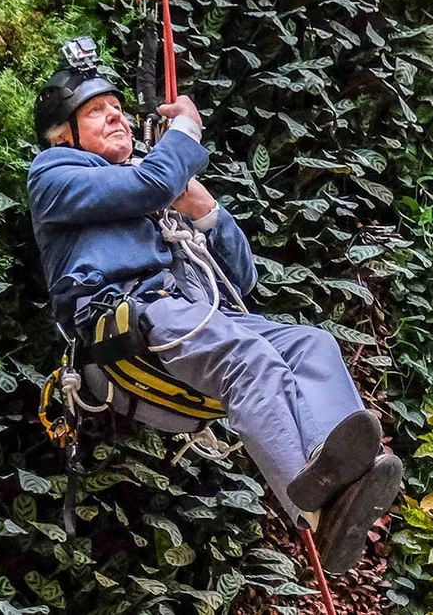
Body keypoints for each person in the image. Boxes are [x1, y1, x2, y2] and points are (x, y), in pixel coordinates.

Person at [27, 55, 402, 574]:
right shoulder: (56, 174)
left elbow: (241, 281)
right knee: (249, 357)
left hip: (189, 324)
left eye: (118, 107)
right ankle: (313, 510)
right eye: (96, 111)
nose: (117, 116)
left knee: (312, 345)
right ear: (62, 136)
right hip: (125, 328)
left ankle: (334, 475)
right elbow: (152, 184)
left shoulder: (151, 184)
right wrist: (185, 129)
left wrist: (206, 213)